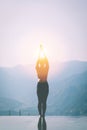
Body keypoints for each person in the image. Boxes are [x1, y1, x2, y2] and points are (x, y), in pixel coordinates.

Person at [36, 45, 49, 117]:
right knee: (43, 101)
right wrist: (42, 51)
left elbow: (39, 63)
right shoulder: (44, 69)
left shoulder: (40, 69)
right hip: (43, 85)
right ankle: (42, 114)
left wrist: (41, 51)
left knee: (41, 101)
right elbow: (47, 63)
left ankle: (42, 114)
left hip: (41, 85)